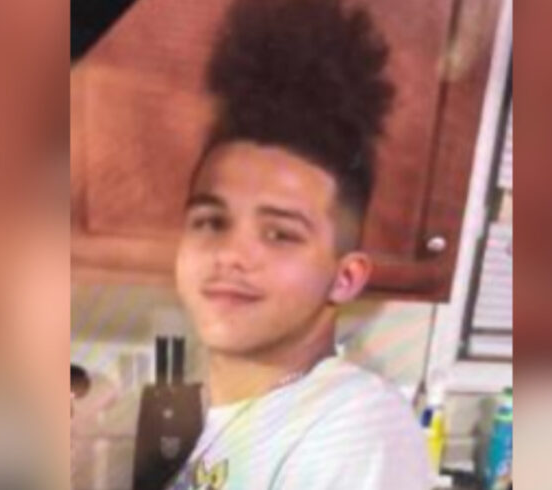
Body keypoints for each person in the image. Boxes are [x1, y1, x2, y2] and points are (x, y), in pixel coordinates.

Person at [168, 0, 430, 488]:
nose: (230, 254)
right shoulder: (239, 418)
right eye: (211, 221)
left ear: (345, 277)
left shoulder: (352, 432)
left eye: (280, 234)